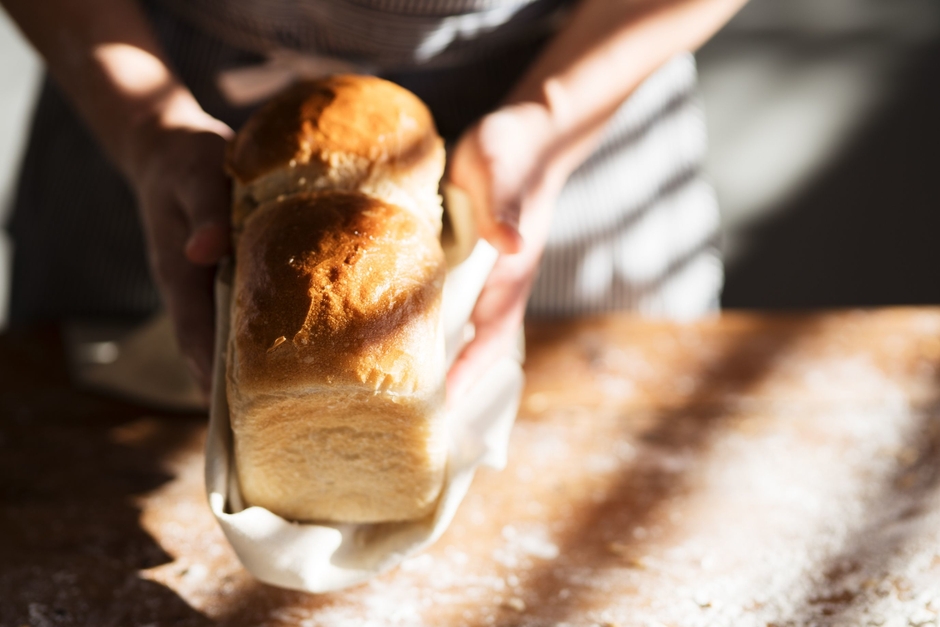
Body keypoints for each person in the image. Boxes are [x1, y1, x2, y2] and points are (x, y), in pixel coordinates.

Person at [1, 0, 747, 401]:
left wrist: (552, 114)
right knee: (81, 440)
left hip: (573, 85)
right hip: (151, 88)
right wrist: (144, 124)